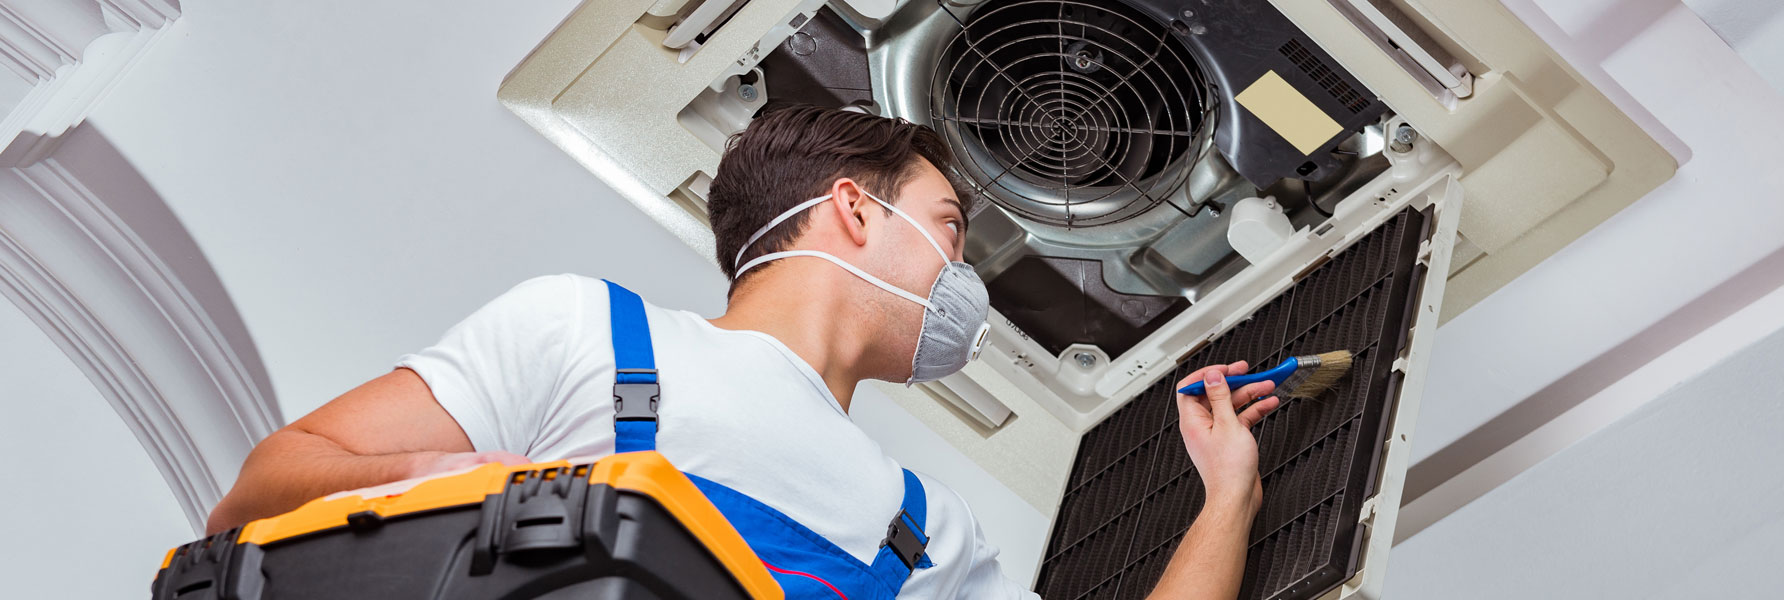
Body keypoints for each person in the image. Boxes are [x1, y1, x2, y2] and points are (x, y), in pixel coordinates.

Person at [206, 105, 1286, 598]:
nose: (966, 279)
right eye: (950, 228)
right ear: (854, 212)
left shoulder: (922, 535)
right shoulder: (585, 332)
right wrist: (489, 490)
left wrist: (1225, 495)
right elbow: (258, 497)